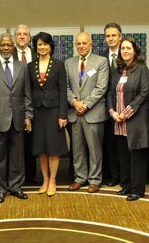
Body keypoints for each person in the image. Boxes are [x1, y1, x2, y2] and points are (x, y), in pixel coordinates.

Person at [0, 33, 33, 203]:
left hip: (18, 118)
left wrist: (28, 116)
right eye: (3, 45)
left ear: (13, 47)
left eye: (8, 45)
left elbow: (27, 95)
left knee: (17, 156)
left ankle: (16, 186)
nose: (5, 48)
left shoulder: (23, 67)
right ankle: (0, 189)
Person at [107, 38, 149, 201]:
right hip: (118, 121)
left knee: (136, 157)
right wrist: (112, 112)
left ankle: (137, 190)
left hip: (135, 121)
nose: (125, 51)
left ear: (135, 51)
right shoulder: (118, 70)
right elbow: (110, 93)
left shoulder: (141, 68)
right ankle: (126, 186)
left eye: (128, 48)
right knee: (123, 156)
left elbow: (144, 93)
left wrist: (125, 113)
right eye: (123, 48)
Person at [66, 32, 108, 194]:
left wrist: (86, 104)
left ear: (91, 44)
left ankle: (95, 179)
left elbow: (101, 87)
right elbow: (66, 88)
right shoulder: (68, 63)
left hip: (93, 113)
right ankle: (79, 178)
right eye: (78, 44)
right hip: (75, 113)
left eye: (84, 43)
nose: (81, 46)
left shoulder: (101, 61)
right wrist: (75, 102)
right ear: (75, 45)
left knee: (94, 149)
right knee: (77, 150)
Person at [28, 32, 68, 197]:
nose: (42, 47)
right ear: (36, 47)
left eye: (45, 44)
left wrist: (63, 115)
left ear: (51, 46)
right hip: (38, 112)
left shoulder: (58, 65)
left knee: (53, 148)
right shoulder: (31, 66)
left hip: (54, 111)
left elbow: (63, 90)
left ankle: (53, 180)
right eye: (39, 44)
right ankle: (44, 179)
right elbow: (28, 91)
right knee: (41, 149)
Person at [12, 24, 39, 186]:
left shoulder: (37, 55)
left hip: (35, 106)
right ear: (15, 37)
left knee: (31, 143)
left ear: (29, 38)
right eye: (19, 34)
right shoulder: (9, 55)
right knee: (16, 145)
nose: (22, 37)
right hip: (14, 106)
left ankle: (31, 176)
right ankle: (17, 177)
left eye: (25, 34)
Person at [100, 23, 123, 187]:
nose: (111, 38)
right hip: (105, 108)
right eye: (108, 36)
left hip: (124, 110)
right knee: (110, 145)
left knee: (123, 145)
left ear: (120, 36)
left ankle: (125, 176)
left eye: (113, 35)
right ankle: (114, 176)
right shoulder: (100, 58)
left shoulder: (128, 55)